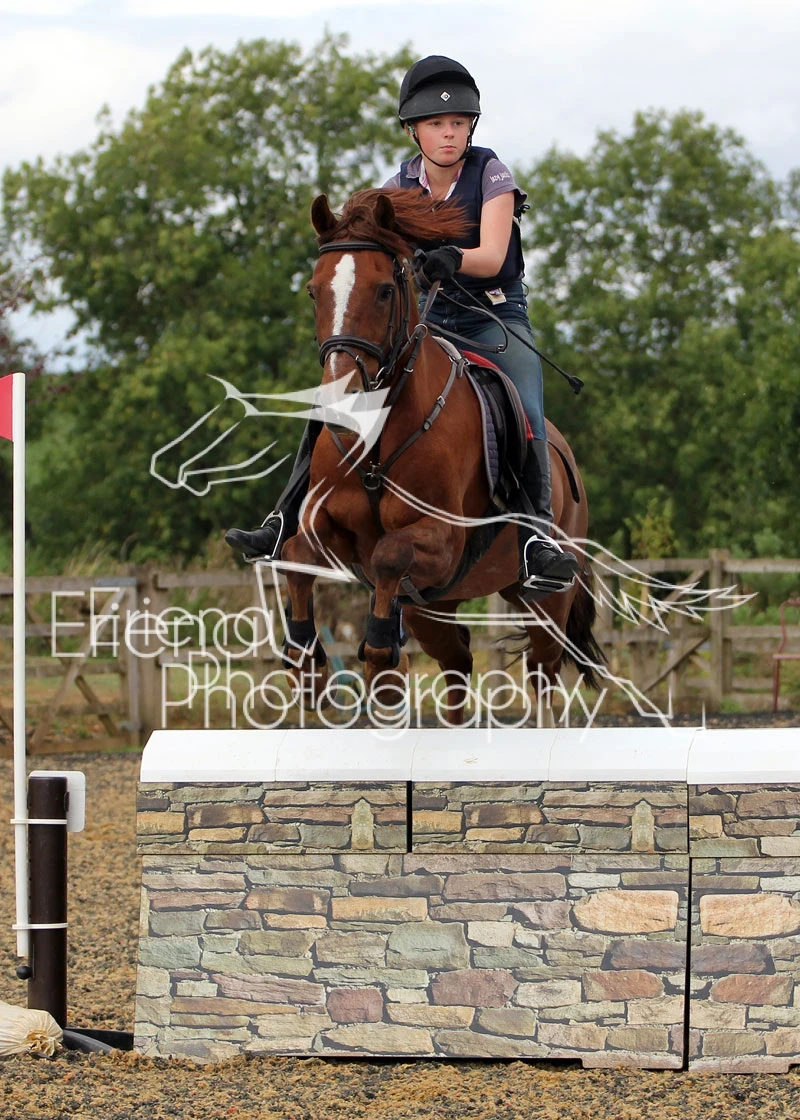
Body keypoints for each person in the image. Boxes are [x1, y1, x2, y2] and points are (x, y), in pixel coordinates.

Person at [225, 55, 578, 594]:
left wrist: (453, 258)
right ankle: (283, 519)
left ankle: (537, 540)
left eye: (458, 123)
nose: (448, 133)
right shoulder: (398, 187)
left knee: (525, 402)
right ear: (414, 130)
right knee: (337, 394)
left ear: (471, 128)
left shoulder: (492, 175)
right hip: (430, 318)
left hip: (493, 315)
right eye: (436, 124)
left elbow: (492, 253)